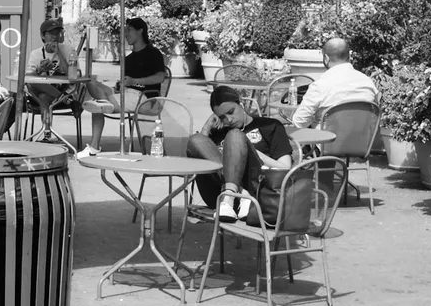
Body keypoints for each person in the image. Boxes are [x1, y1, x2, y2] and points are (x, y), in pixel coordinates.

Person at [186, 83, 293, 223]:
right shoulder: (219, 131)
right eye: (222, 117)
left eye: (231, 112)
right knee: (196, 139)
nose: (228, 120)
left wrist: (254, 153)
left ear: (241, 104)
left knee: (235, 136)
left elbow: (285, 168)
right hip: (219, 198)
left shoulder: (270, 125)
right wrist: (207, 127)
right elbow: (197, 155)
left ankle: (237, 194)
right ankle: (238, 193)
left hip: (258, 194)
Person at [81, 15, 167, 154]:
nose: (126, 34)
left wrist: (134, 81)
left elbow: (160, 77)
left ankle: (94, 147)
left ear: (140, 31)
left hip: (145, 98)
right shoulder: (128, 59)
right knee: (91, 81)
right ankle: (103, 101)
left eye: (129, 30)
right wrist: (120, 85)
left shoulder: (153, 53)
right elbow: (126, 83)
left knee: (98, 106)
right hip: (125, 93)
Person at [292, 35, 377, 129]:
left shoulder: (320, 85)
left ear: (326, 58)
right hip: (364, 141)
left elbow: (299, 122)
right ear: (349, 56)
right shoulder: (368, 82)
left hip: (328, 141)